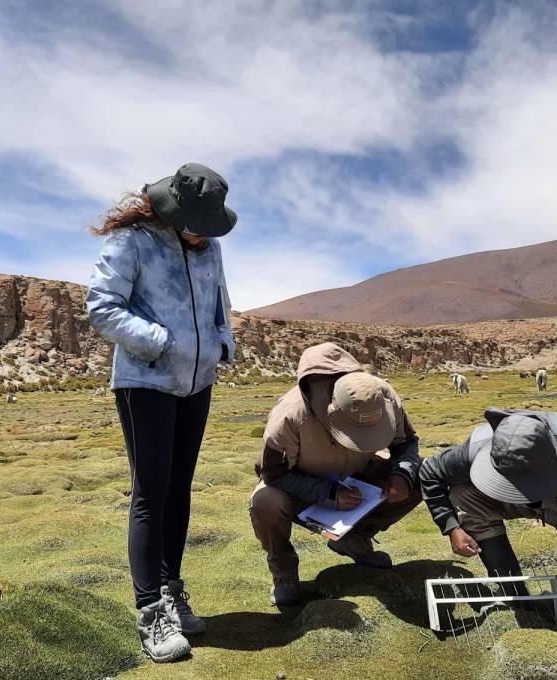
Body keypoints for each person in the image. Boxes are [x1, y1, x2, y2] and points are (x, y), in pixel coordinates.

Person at [86, 163, 236, 663]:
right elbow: (102, 306)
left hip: (198, 383)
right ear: (173, 211)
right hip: (145, 382)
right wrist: (160, 343)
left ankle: (172, 587)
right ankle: (151, 612)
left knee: (180, 489)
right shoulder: (133, 241)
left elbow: (219, 302)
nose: (202, 235)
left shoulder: (209, 246)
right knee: (151, 492)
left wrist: (223, 344)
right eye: (195, 224)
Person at [249, 343, 422, 607]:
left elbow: (406, 442)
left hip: (358, 475)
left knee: (422, 476)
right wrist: (328, 494)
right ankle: (284, 574)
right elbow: (273, 474)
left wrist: (402, 475)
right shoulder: (289, 417)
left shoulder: (380, 396)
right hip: (300, 486)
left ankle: (355, 539)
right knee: (265, 502)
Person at [419, 407, 557, 611]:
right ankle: (513, 590)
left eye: (524, 486)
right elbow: (429, 471)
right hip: (519, 506)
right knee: (463, 494)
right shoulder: (480, 447)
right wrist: (451, 527)